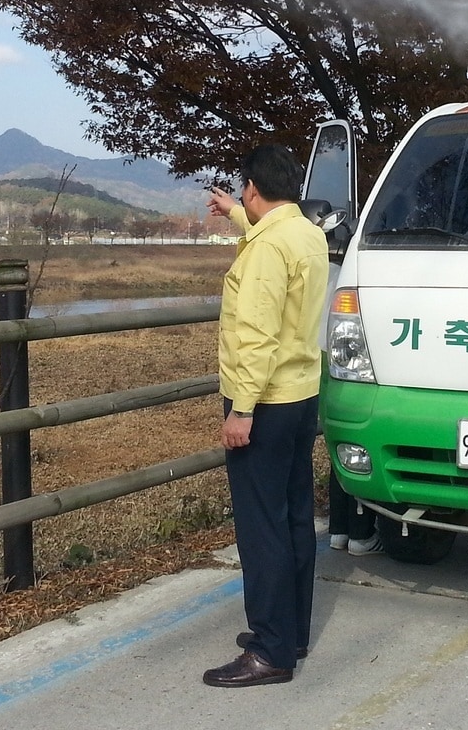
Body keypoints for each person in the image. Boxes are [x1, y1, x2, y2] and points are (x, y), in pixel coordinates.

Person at [201, 145, 329, 689]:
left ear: (254, 188)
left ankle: (271, 650)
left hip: (265, 401)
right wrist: (233, 211)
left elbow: (255, 336)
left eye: (243, 193)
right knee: (295, 514)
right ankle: (291, 630)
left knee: (261, 526)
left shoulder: (266, 250)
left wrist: (242, 410)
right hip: (300, 396)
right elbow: (264, 231)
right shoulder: (306, 233)